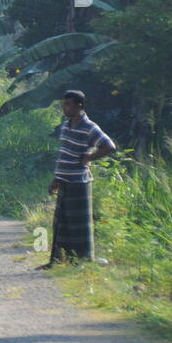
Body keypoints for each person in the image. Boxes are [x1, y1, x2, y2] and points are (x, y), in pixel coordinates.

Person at [46, 90, 116, 266]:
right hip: (64, 181)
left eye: (68, 104)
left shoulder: (90, 127)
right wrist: (56, 179)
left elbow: (109, 146)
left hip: (79, 182)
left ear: (79, 106)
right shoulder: (65, 126)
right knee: (61, 224)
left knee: (79, 226)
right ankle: (58, 261)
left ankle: (82, 261)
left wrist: (89, 158)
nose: (65, 108)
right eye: (64, 104)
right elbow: (64, 155)